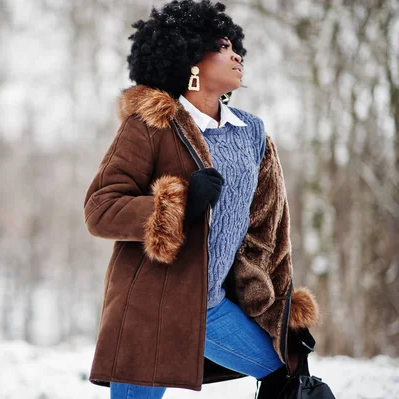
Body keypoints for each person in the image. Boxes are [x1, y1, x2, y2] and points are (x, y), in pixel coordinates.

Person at [83, 1, 320, 398]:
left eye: (235, 47)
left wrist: (280, 309)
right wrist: (176, 207)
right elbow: (100, 208)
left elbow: (266, 232)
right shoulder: (152, 125)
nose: (236, 55)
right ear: (191, 60)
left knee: (288, 375)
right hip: (151, 304)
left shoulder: (252, 134)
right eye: (223, 47)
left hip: (213, 304)